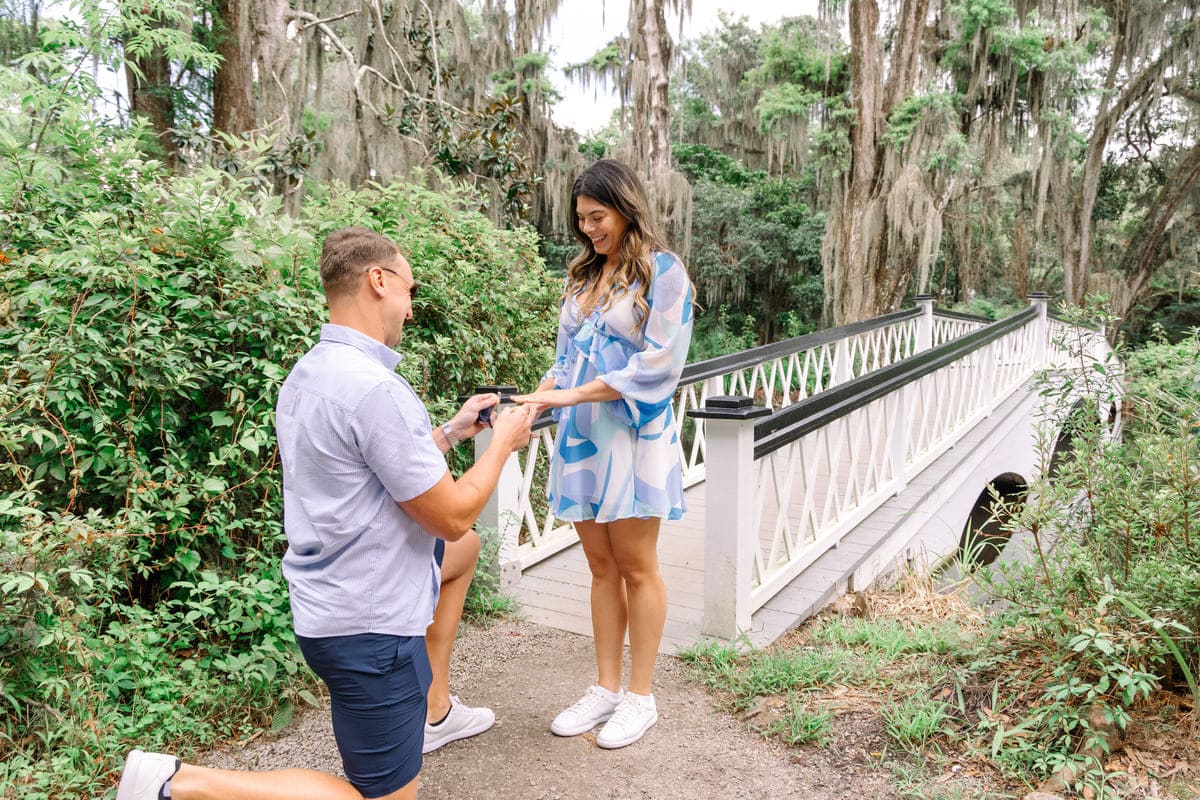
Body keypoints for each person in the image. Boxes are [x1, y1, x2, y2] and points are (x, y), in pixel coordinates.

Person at [116, 226, 536, 800]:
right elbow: (453, 515)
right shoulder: (376, 390)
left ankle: (433, 709)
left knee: (462, 555)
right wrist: (502, 442)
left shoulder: (312, 372)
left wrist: (450, 433)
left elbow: (366, 471)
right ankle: (178, 783)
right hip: (370, 624)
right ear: (378, 280)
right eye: (409, 291)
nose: (411, 309)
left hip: (329, 601)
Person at [513, 159, 694, 750]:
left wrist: (571, 391)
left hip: (633, 437)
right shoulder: (581, 277)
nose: (589, 229)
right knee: (599, 567)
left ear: (626, 207)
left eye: (598, 217)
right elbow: (564, 362)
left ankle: (641, 697)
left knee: (637, 566)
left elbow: (659, 363)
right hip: (584, 436)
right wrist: (535, 402)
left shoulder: (663, 274)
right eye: (581, 220)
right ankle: (606, 689)